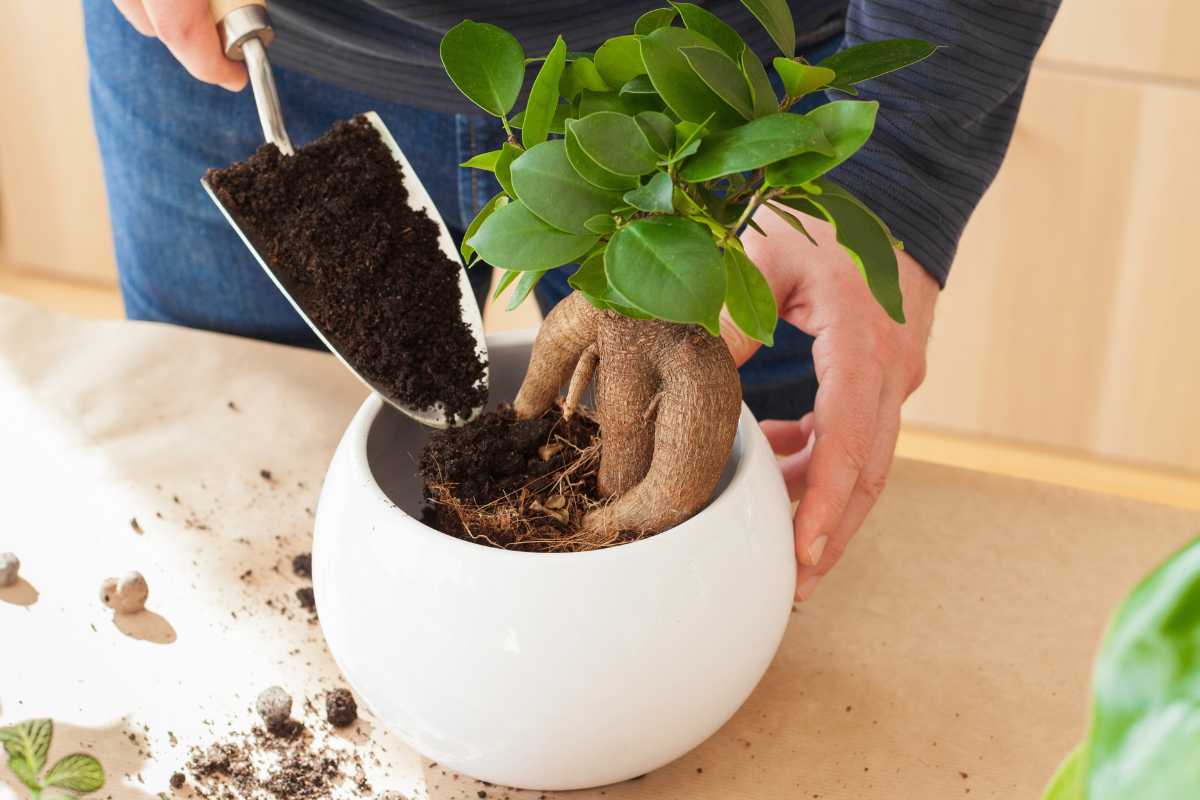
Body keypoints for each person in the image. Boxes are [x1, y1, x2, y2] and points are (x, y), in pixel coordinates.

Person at [87, 0, 1060, 600]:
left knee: (705, 588)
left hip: (728, 95)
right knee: (226, 532)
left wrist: (902, 165)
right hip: (240, 37)